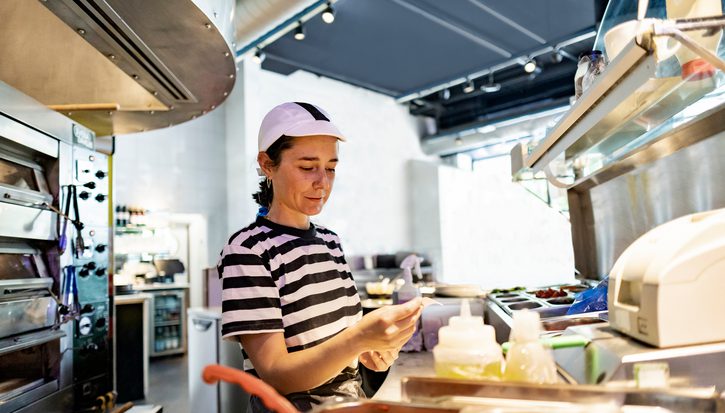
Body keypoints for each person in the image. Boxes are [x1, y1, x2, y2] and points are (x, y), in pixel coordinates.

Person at [217, 102, 422, 412]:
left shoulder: (330, 241)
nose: (322, 182)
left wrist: (371, 351)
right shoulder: (248, 250)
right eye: (307, 166)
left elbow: (338, 349)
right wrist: (357, 338)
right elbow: (274, 373)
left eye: (331, 167)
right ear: (267, 165)